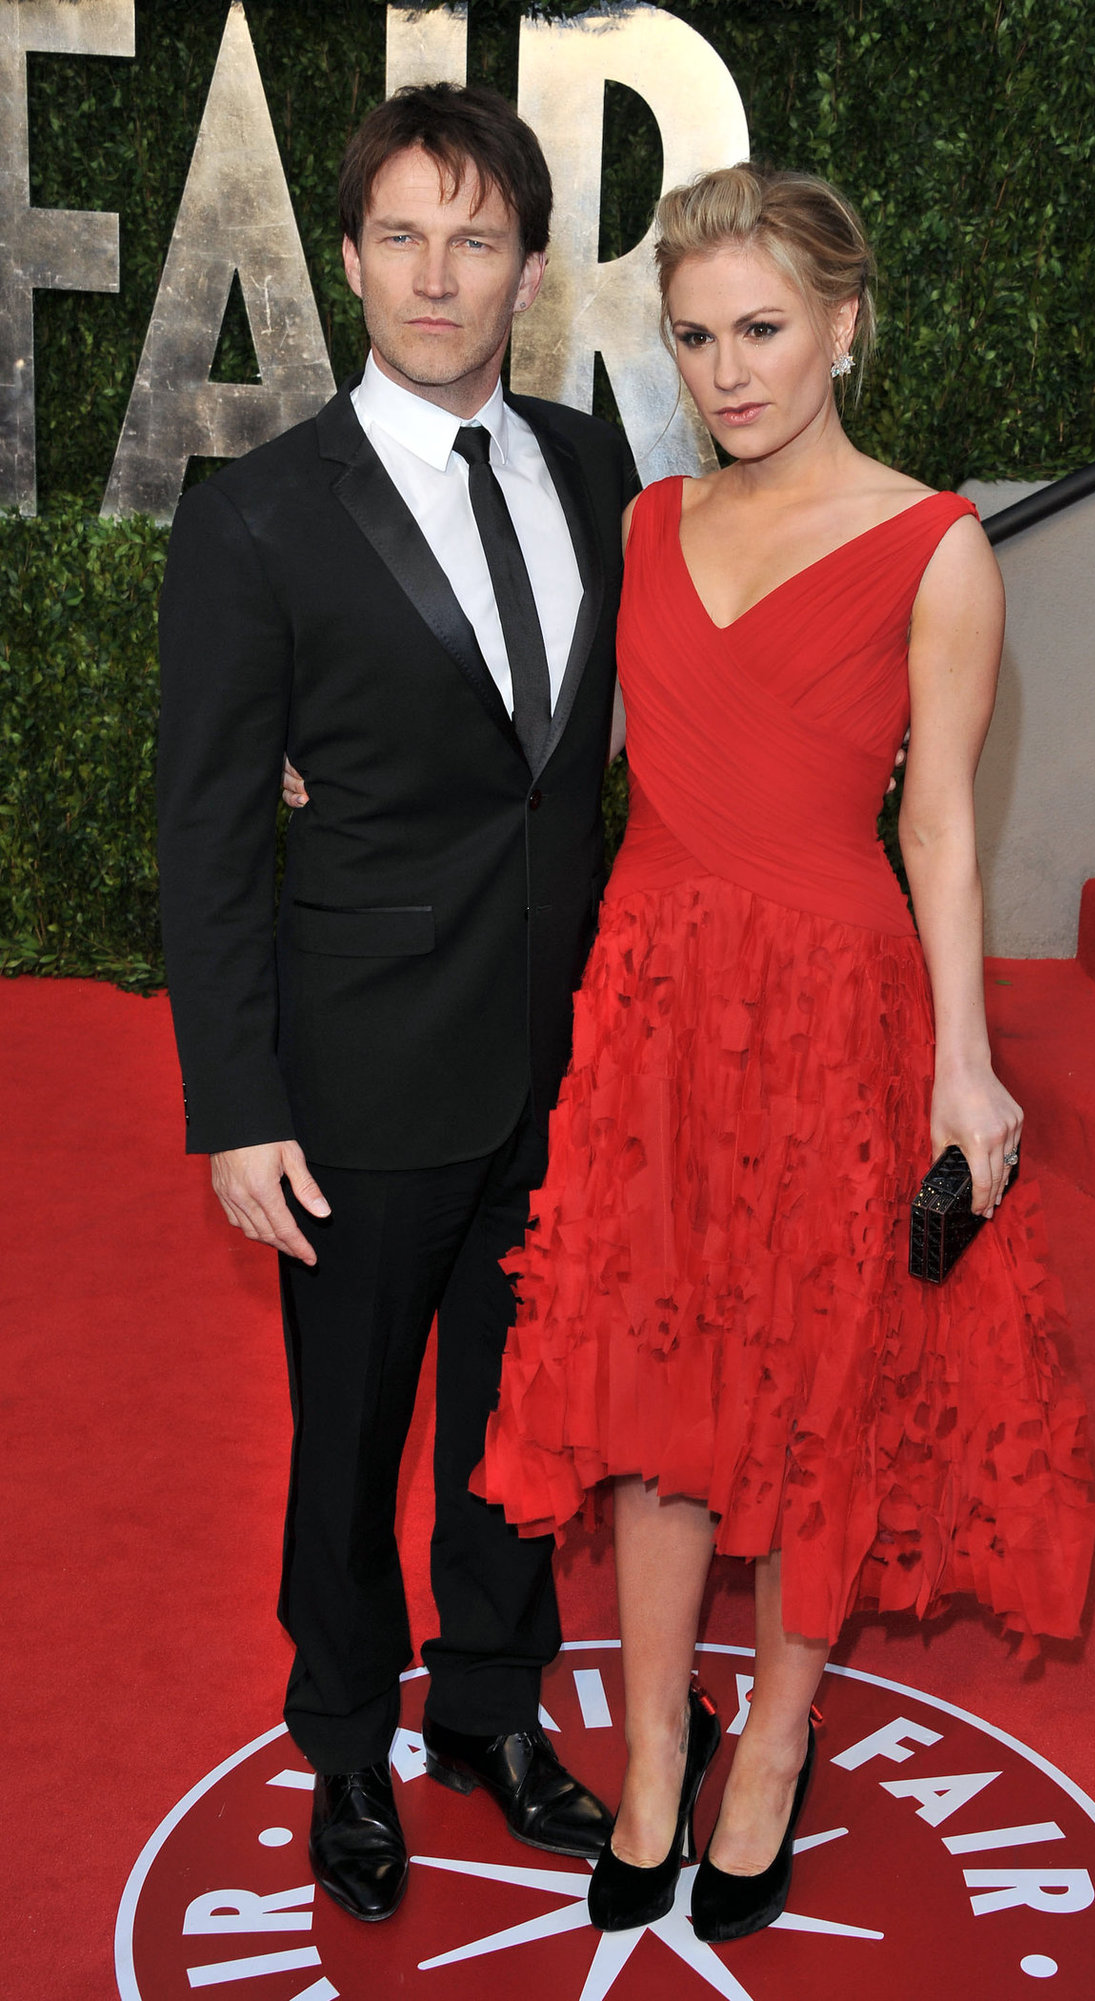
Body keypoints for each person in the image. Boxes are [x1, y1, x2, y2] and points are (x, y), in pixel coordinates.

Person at [470, 164, 1095, 1944]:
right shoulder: (647, 524)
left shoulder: (936, 545)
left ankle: (774, 1750)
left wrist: (961, 1070)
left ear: (843, 324)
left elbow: (944, 837)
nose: (728, 370)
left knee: (820, 1400)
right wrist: (332, 764)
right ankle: (658, 1746)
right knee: (665, 1409)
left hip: (833, 1015)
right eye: (692, 338)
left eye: (760, 330)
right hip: (655, 1015)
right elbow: (533, 745)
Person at [156, 83, 634, 1924]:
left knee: (518, 1428)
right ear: (345, 257)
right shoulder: (260, 517)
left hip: (561, 1058)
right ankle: (348, 1739)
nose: (441, 276)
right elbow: (205, 829)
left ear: (529, 268)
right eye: (405, 237)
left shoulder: (592, 468)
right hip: (352, 1074)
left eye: (481, 238)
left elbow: (580, 757)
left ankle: (495, 1717)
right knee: (346, 1435)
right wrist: (235, 1099)